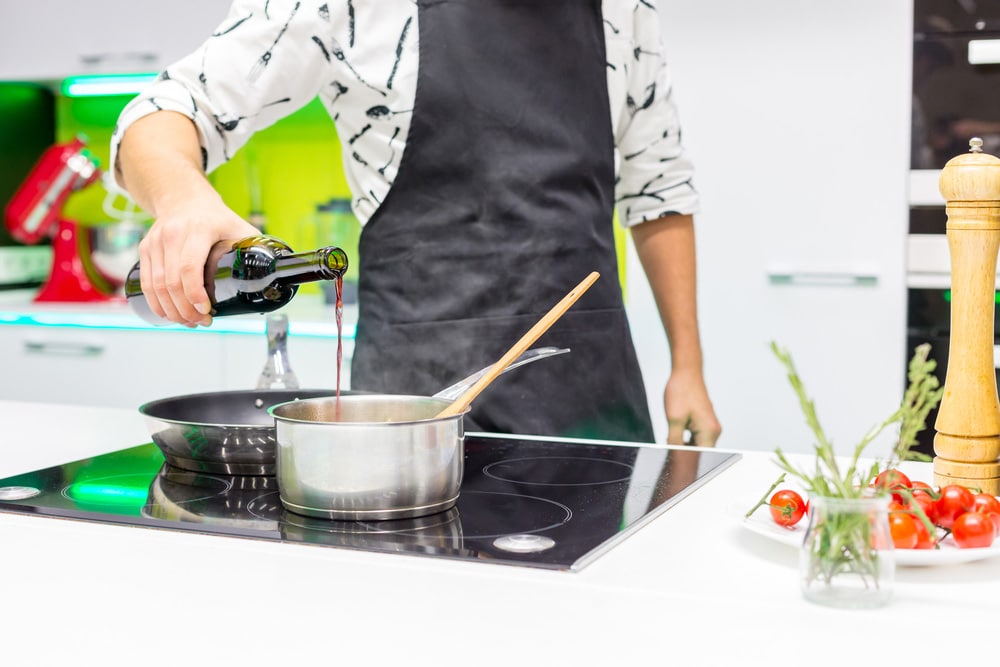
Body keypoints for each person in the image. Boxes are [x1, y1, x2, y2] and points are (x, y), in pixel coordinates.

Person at [111, 0, 722, 447]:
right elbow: (163, 111)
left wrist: (687, 366)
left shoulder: (623, 8)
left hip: (591, 393)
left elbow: (659, 187)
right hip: (409, 418)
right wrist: (184, 200)